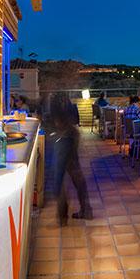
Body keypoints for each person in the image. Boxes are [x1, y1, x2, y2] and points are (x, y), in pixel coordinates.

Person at [45, 92, 92, 224]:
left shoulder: (54, 98)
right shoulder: (65, 99)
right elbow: (75, 118)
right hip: (71, 135)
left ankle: (63, 215)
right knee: (76, 175)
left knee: (59, 176)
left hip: (63, 138)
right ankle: (85, 210)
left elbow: (55, 121)